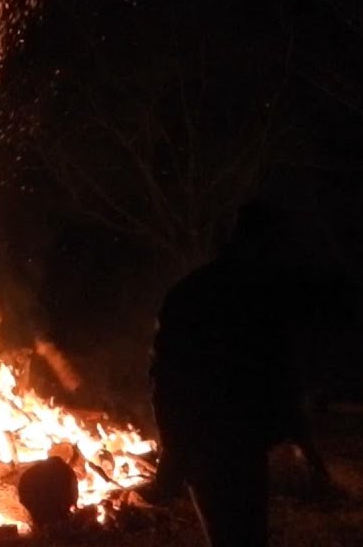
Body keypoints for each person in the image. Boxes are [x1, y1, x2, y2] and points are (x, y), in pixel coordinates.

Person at [141, 201, 307, 547]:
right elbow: (169, 378)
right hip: (222, 439)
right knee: (241, 532)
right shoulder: (260, 295)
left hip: (224, 439)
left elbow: (165, 379)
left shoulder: (194, 292)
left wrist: (174, 450)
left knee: (235, 532)